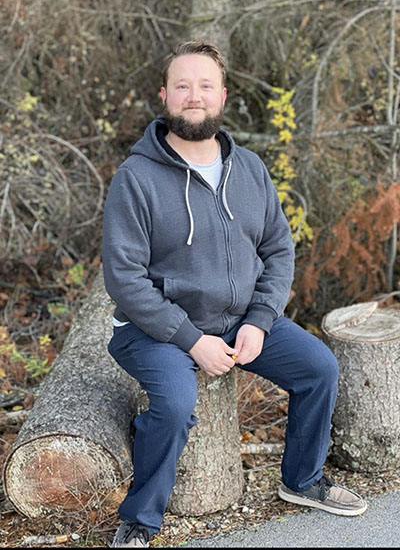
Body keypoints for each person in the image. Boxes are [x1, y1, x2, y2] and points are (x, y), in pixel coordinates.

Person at [102, 40, 367, 548]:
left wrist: (260, 319)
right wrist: (190, 339)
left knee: (319, 368)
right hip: (153, 329)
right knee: (175, 405)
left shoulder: (249, 169)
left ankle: (302, 480)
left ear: (222, 96)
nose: (194, 96)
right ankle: (139, 520)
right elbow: (124, 279)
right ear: (164, 96)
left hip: (240, 318)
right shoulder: (135, 178)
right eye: (183, 85)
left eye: (205, 85)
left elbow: (279, 249)